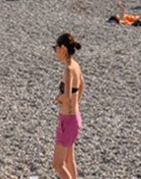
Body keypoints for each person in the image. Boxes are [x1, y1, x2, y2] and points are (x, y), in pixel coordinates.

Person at [53, 33, 84, 179]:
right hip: (75, 118)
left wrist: (58, 99)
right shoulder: (76, 66)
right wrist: (75, 103)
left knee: (57, 164)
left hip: (67, 120)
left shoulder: (68, 70)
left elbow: (66, 96)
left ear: (63, 48)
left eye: (56, 48)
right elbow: (82, 86)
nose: (56, 52)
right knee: (69, 160)